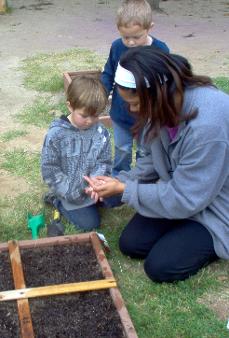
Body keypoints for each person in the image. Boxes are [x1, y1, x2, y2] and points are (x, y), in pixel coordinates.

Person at [85, 45, 229, 283]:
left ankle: (209, 238)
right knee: (131, 244)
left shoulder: (207, 126)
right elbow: (153, 161)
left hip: (217, 206)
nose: (132, 110)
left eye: (136, 104)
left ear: (156, 92)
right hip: (188, 192)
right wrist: (120, 181)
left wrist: (125, 190)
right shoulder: (164, 101)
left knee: (160, 267)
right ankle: (183, 227)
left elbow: (186, 197)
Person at [101, 0, 169, 176]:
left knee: (144, 151)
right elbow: (109, 72)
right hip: (121, 114)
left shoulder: (160, 50)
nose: (130, 42)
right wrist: (101, 92)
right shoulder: (117, 46)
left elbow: (166, 81)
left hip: (148, 117)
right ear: (118, 29)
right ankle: (119, 178)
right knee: (122, 148)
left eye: (136, 37)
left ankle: (141, 177)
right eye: (126, 37)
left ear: (150, 27)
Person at [41, 75, 112, 233]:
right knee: (90, 224)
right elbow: (49, 169)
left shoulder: (101, 133)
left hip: (91, 188)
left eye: (95, 116)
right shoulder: (56, 135)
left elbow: (104, 162)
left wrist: (96, 183)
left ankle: (95, 200)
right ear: (70, 106)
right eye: (84, 116)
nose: (90, 121)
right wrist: (68, 192)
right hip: (70, 192)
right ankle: (57, 200)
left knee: (118, 195)